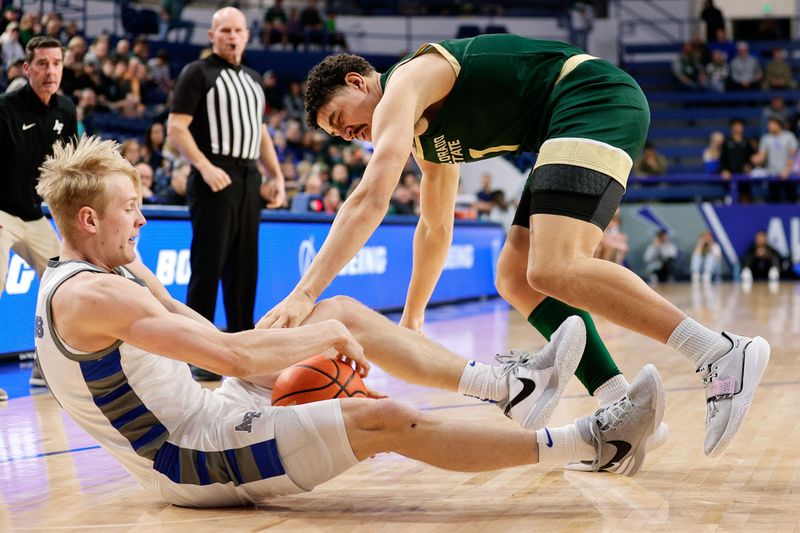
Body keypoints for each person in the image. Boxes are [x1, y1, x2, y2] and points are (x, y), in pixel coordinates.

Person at [33, 135, 664, 505]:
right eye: (132, 209)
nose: (142, 220)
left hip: (210, 413)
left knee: (331, 307)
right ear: (89, 221)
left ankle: (507, 386)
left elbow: (217, 340)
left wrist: (312, 326)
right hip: (190, 455)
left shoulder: (113, 272)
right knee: (380, 415)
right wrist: (320, 341)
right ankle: (596, 442)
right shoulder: (92, 296)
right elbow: (225, 359)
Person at [263, 35, 771, 459]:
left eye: (339, 117)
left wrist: (305, 293)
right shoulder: (426, 138)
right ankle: (623, 408)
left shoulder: (405, 81)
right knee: (514, 272)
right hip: (565, 121)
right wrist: (412, 319)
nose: (349, 135)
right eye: (337, 134)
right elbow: (434, 227)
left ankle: (720, 351)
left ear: (358, 82)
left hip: (592, 98)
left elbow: (370, 197)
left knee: (555, 266)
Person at [168, 7, 286, 381]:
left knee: (244, 267)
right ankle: (199, 353)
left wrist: (277, 175)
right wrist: (204, 166)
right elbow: (176, 127)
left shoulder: (253, 78)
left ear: (247, 35)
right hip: (214, 175)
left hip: (249, 177)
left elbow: (260, 131)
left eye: (238, 30)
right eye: (225, 31)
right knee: (208, 266)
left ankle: (242, 350)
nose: (232, 36)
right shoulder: (196, 72)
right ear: (212, 35)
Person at [0, 36, 77, 394]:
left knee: (65, 283)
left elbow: (70, 168)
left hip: (35, 216)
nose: (51, 71)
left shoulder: (66, 111)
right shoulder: (6, 108)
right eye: (43, 63)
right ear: (27, 68)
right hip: (1, 213)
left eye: (57, 63)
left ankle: (45, 368)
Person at [752, 117, 798, 203]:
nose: (769, 126)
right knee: (774, 199)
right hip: (773, 174)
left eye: (772, 124)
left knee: (791, 199)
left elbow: (793, 154)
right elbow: (762, 155)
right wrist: (756, 159)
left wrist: (787, 170)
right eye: (768, 124)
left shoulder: (789, 136)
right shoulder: (766, 138)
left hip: (789, 174)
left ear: (778, 124)